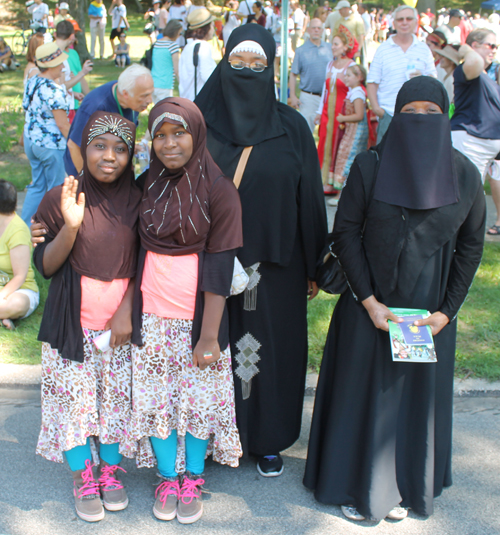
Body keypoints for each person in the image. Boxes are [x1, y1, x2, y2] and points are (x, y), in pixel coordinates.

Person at [304, 76, 486, 523]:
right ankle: (353, 483)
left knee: (410, 400)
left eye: (431, 112)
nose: (420, 120)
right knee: (362, 394)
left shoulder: (464, 173)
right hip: (369, 307)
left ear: (445, 117)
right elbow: (344, 232)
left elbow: (471, 247)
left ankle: (405, 487)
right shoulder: (370, 165)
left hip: (428, 317)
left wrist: (446, 313)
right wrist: (369, 301)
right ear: (394, 115)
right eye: (410, 112)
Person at [195, 24, 327, 477]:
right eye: (238, 63)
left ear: (271, 68)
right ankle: (210, 435)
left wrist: (314, 263)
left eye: (258, 65)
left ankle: (268, 440)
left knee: (270, 352)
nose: (248, 72)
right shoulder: (197, 122)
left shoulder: (291, 126)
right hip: (209, 264)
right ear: (223, 61)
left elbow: (309, 199)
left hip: (275, 267)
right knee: (214, 349)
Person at [130, 98, 243, 524]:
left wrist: (210, 335)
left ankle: (193, 476)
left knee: (197, 405)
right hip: (152, 320)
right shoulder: (146, 185)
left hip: (199, 324)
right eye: (160, 135)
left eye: (179, 133)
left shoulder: (219, 190)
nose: (169, 143)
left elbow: (220, 266)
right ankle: (166, 476)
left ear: (197, 135)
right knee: (158, 403)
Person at [33, 111, 141, 523]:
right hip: (71, 327)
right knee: (75, 406)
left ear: (132, 157)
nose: (109, 156)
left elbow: (146, 262)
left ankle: (110, 472)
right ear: (83, 149)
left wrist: (126, 311)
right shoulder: (62, 196)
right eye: (99, 146)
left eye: (120, 149)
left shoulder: (138, 199)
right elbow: (46, 265)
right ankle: (84, 475)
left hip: (118, 328)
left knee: (114, 403)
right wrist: (71, 228)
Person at [63, 64, 154, 177]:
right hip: (83, 170)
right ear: (125, 94)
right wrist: (85, 180)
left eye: (151, 94)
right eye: (144, 96)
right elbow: (74, 145)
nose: (150, 100)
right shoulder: (95, 106)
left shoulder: (133, 101)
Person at [451, 29, 500, 236]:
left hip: (484, 150)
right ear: (474, 45)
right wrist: (464, 48)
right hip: (468, 142)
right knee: (458, 201)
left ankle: (460, 248)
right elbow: (473, 63)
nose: (494, 51)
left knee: (469, 203)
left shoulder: (487, 78)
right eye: (490, 45)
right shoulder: (468, 71)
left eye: (496, 47)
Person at [367, 5, 437, 143]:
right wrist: (377, 109)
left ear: (415, 22)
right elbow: (372, 82)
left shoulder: (423, 49)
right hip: (389, 114)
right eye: (400, 19)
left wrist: (422, 79)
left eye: (409, 19)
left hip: (418, 116)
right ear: (394, 23)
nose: (404, 22)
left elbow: (434, 81)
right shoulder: (383, 49)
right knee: (387, 160)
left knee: (415, 160)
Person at [22, 42, 70, 226]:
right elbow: (62, 124)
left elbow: (27, 109)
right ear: (52, 65)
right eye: (60, 63)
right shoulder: (54, 90)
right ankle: (52, 229)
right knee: (56, 189)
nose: (63, 66)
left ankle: (25, 228)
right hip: (50, 145)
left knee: (37, 186)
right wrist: (77, 145)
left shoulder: (33, 81)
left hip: (31, 141)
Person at [315, 33, 354, 193]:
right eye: (333, 44)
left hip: (341, 112)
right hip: (327, 111)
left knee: (337, 144)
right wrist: (319, 110)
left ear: (345, 47)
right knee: (324, 142)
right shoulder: (330, 65)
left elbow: (353, 90)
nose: (333, 47)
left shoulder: (350, 66)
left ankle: (334, 182)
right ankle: (321, 179)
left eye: (336, 44)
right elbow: (325, 90)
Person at [0, 180, 39, 331]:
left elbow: (19, 277)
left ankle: (5, 312)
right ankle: (4, 316)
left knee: (14, 304)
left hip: (20, 290)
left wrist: (1, 296)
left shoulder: (18, 231)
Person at [330, 64, 369, 191]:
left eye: (348, 75)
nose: (345, 78)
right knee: (344, 156)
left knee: (349, 158)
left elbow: (358, 115)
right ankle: (341, 191)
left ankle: (344, 192)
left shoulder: (358, 93)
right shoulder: (353, 92)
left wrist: (343, 118)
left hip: (356, 131)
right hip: (351, 130)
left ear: (359, 77)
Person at [290, 18, 332, 133]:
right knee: (305, 132)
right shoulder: (301, 50)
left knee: (328, 133)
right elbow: (293, 74)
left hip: (328, 97)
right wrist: (293, 96)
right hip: (309, 97)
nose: (316, 31)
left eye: (319, 28)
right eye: (314, 28)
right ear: (308, 30)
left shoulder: (330, 48)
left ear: (323, 30)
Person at [55, 20, 93, 120]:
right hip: (63, 106)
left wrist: (87, 97)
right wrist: (82, 73)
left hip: (72, 102)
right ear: (71, 36)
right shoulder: (57, 55)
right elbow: (61, 85)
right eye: (74, 34)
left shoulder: (72, 53)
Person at [179, 9, 217, 101]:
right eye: (212, 25)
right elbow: (207, 76)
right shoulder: (203, 46)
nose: (214, 29)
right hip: (200, 103)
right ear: (205, 29)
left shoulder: (188, 47)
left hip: (187, 101)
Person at [152, 19, 182, 102]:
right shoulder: (173, 46)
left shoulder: (156, 44)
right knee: (165, 112)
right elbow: (177, 70)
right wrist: (182, 85)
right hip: (165, 84)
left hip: (153, 82)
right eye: (180, 33)